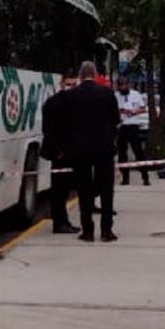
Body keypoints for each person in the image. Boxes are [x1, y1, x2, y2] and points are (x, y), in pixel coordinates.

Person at [63, 61, 121, 242]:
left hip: (80, 149)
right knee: (106, 189)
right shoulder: (107, 93)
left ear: (80, 75)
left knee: (84, 189)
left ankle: (87, 230)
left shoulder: (72, 96)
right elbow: (116, 120)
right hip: (104, 147)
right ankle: (106, 230)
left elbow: (67, 123)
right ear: (95, 75)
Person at [41, 69, 80, 234]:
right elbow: (48, 130)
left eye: (73, 84)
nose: (70, 87)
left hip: (71, 152)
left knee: (65, 190)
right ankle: (60, 223)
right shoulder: (53, 103)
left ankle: (63, 221)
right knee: (59, 190)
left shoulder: (76, 102)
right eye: (68, 84)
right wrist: (59, 150)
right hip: (60, 153)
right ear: (61, 83)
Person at [115, 75, 150, 186]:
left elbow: (143, 108)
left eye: (124, 85)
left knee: (138, 151)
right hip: (122, 127)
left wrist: (134, 112)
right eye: (120, 86)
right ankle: (125, 177)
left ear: (128, 85)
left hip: (133, 126)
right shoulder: (116, 96)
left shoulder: (136, 95)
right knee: (122, 153)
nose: (122, 88)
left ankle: (145, 176)